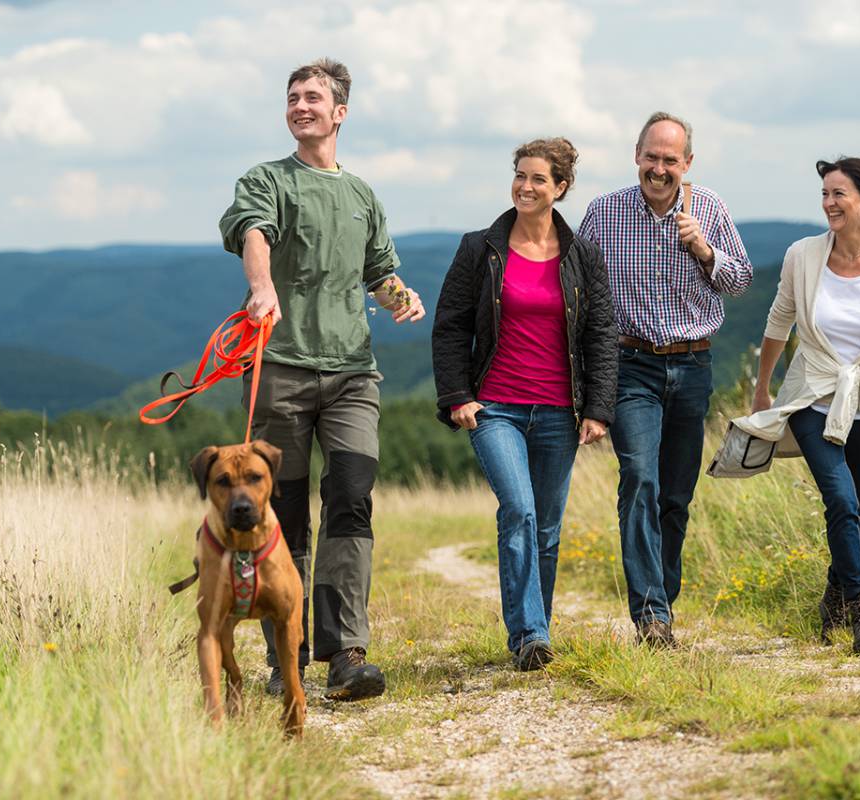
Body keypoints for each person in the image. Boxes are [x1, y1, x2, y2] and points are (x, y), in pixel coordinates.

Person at [218, 58, 425, 701]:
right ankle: (288, 654)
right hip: (280, 366)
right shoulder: (267, 180)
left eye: (314, 98)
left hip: (352, 373)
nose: (301, 105)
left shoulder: (363, 195)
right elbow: (252, 231)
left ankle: (346, 653)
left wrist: (399, 296)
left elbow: (377, 273)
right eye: (293, 97)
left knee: (352, 500)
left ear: (340, 113)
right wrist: (261, 287)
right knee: (282, 514)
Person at [735, 157, 860, 655]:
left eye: (838, 194)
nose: (828, 203)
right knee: (842, 501)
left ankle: (833, 602)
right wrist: (764, 389)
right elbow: (778, 322)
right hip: (813, 397)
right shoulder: (803, 256)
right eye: (824, 194)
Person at [432, 138, 617, 670]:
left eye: (539, 179)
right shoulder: (479, 248)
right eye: (520, 175)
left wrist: (599, 408)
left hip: (561, 410)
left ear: (561, 188)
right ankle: (530, 635)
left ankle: (538, 630)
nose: (526, 187)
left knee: (547, 527)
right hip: (496, 408)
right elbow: (450, 328)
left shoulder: (583, 255)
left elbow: (601, 334)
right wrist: (457, 397)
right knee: (519, 510)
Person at [579, 112, 753, 648]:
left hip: (693, 365)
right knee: (640, 479)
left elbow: (742, 281)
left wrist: (703, 248)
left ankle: (662, 600)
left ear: (687, 164)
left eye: (670, 160)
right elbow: (577, 292)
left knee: (676, 496)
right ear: (636, 155)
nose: (659, 168)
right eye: (651, 157)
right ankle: (651, 614)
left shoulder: (711, 209)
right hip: (630, 366)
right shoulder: (604, 214)